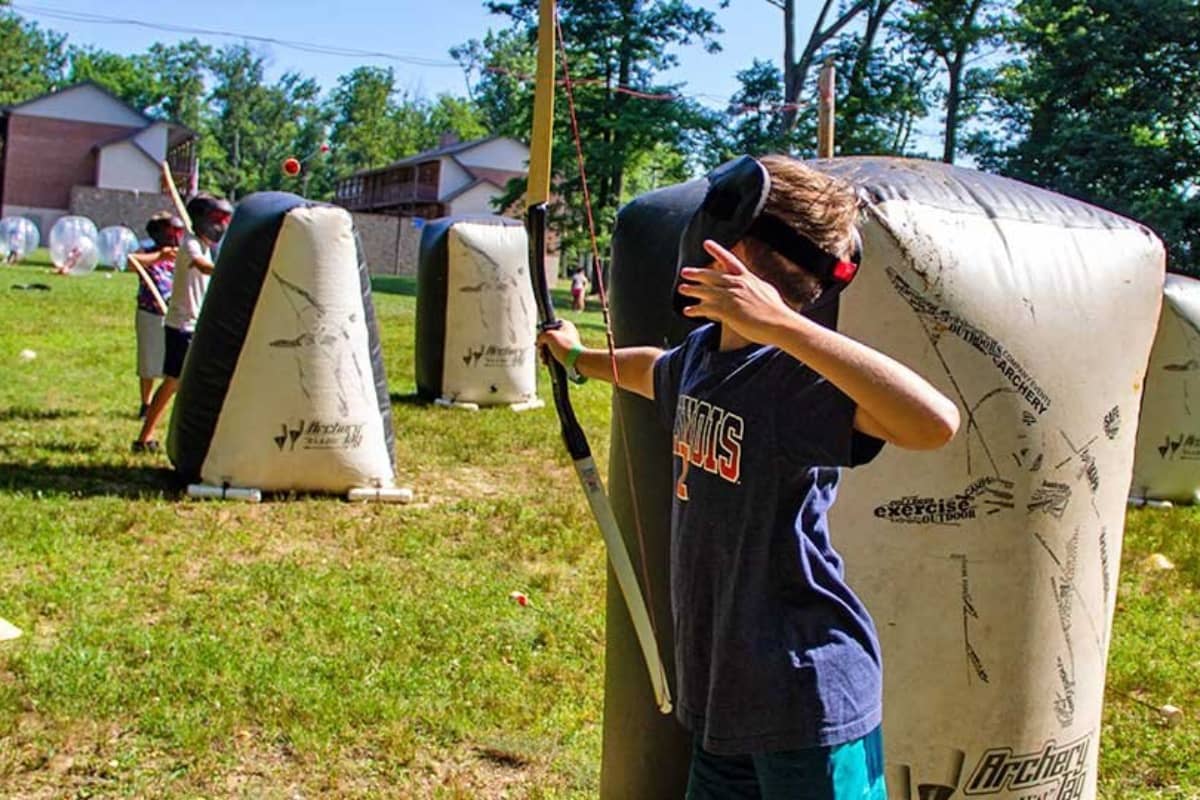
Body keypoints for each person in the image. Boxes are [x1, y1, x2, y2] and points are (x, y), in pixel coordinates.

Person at [537, 155, 960, 800]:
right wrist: (576, 357)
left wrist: (783, 326)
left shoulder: (789, 382)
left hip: (806, 700)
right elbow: (653, 368)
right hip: (725, 700)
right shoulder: (701, 358)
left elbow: (935, 422)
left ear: (732, 256)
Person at [133, 193, 233, 453]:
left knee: (189, 382)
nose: (221, 226)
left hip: (195, 323)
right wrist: (230, 267)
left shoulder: (202, 243)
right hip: (182, 326)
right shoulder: (190, 244)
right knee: (173, 383)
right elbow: (201, 266)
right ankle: (144, 437)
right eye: (217, 219)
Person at [129, 212, 185, 419]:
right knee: (149, 360)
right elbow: (131, 262)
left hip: (177, 313)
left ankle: (166, 404)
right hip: (151, 312)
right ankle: (146, 403)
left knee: (175, 362)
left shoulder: (184, 253)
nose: (176, 236)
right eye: (172, 231)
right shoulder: (148, 251)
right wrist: (160, 256)